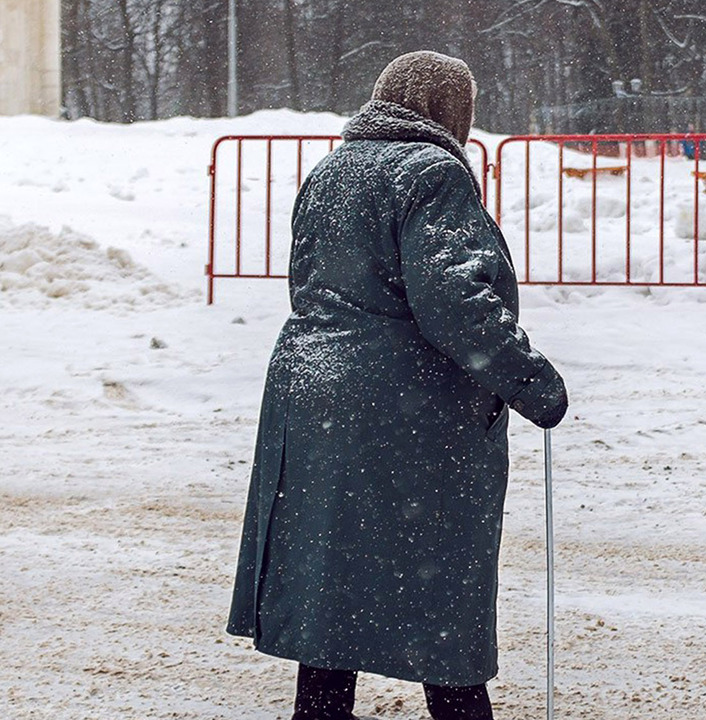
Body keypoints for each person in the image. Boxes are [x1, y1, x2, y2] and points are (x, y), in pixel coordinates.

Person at [226, 51, 568, 720]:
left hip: (313, 391)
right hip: (403, 407)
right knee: (436, 580)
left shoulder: (331, 169)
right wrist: (531, 382)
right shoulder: (433, 173)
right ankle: (459, 707)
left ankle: (319, 711)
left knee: (333, 575)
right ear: (452, 114)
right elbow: (454, 303)